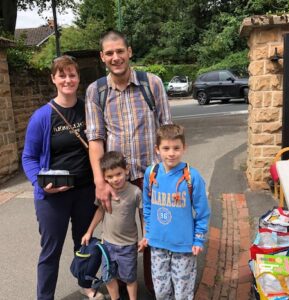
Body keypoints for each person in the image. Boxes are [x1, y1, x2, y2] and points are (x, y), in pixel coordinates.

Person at [85, 29, 172, 294]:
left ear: (129, 52)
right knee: (117, 237)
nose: (115, 57)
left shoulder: (152, 84)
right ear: (102, 57)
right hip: (116, 180)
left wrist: (170, 175)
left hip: (152, 176)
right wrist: (100, 182)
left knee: (154, 236)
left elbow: (167, 130)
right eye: (109, 53)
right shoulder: (96, 91)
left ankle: (157, 289)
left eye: (120, 51)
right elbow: (96, 140)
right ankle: (120, 289)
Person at [22, 55, 103, 300]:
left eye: (72, 75)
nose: (68, 80)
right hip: (52, 196)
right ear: (53, 79)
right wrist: (40, 183)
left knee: (84, 243)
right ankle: (44, 297)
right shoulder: (42, 117)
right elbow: (28, 157)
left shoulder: (88, 109)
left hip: (85, 190)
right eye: (62, 75)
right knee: (51, 251)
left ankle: (85, 284)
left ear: (78, 78)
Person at [139, 124, 211, 300]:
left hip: (183, 246)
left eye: (176, 148)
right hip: (157, 245)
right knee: (161, 292)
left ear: (184, 148)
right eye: (166, 148)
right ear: (157, 149)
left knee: (182, 293)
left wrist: (198, 238)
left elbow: (202, 212)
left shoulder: (191, 177)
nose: (171, 153)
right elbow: (147, 206)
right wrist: (148, 232)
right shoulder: (151, 173)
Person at [81, 151, 142, 300]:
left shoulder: (135, 192)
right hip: (107, 244)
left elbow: (143, 215)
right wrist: (89, 231)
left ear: (126, 170)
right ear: (104, 177)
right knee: (108, 276)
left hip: (127, 245)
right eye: (109, 176)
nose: (115, 179)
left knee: (129, 278)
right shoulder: (104, 192)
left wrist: (145, 236)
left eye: (118, 174)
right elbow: (100, 211)